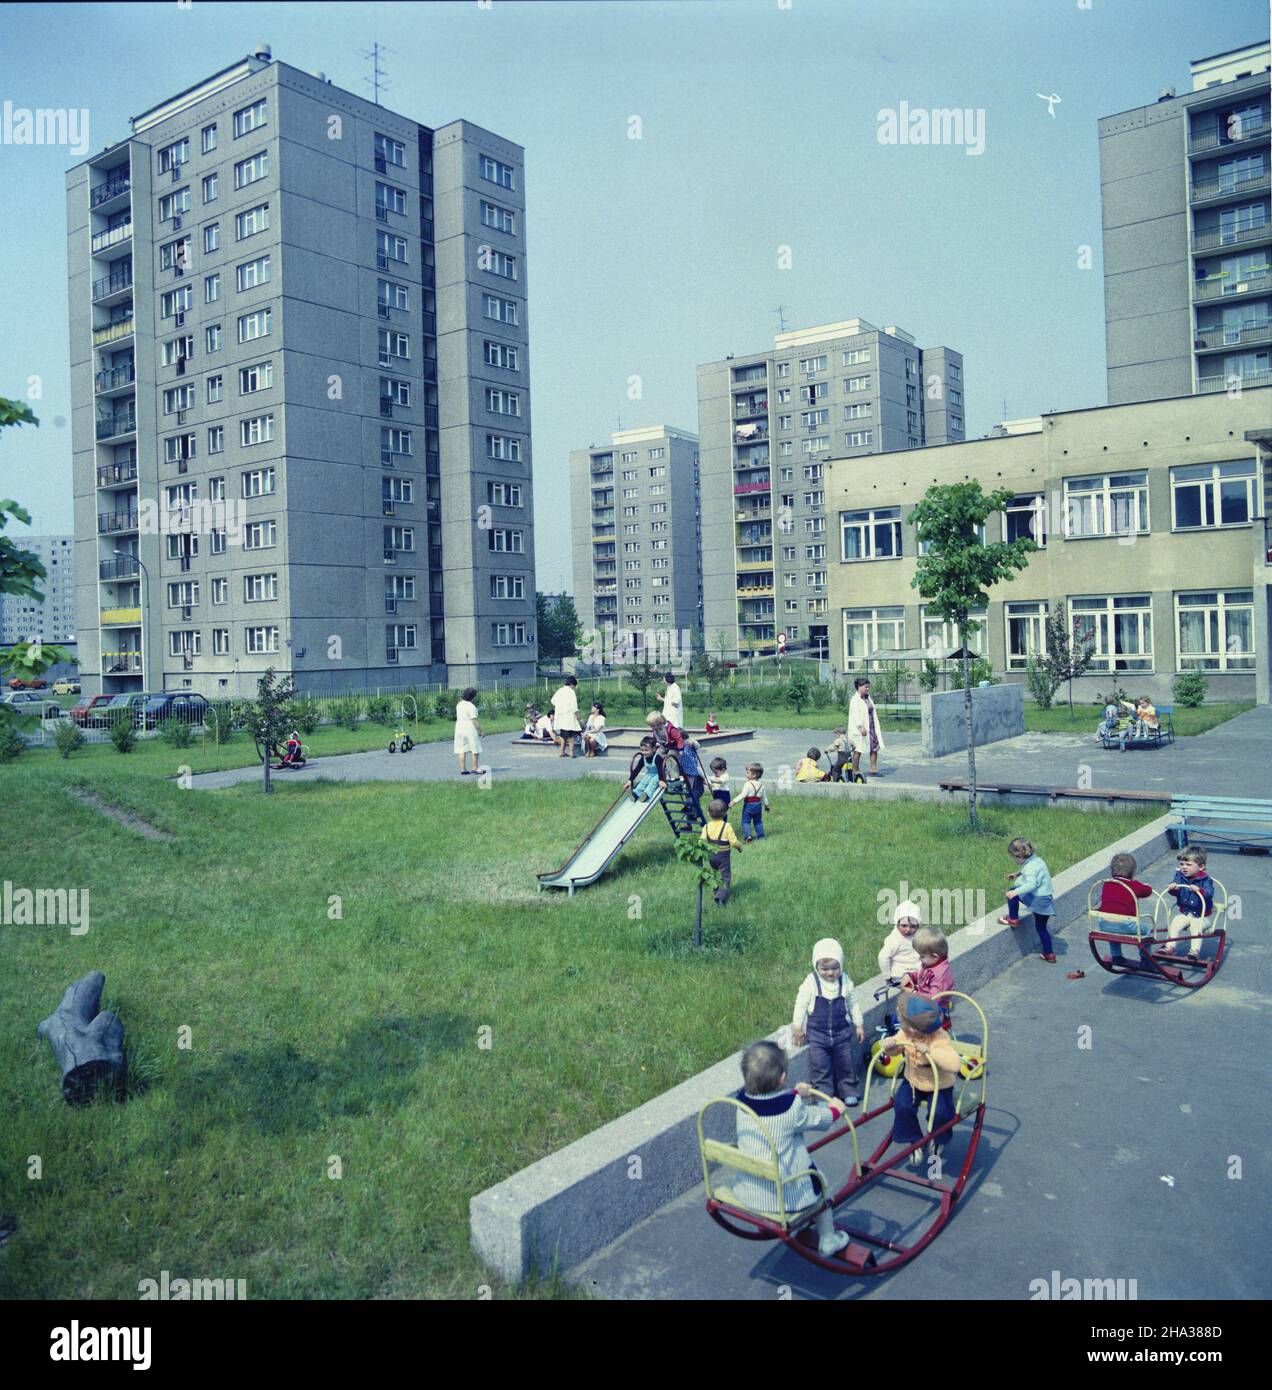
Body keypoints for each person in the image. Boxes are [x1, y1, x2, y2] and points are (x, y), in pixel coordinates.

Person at [729, 1040, 851, 1258]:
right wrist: (835, 1110)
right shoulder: (791, 1109)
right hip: (786, 1196)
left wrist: (795, 1092)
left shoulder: (741, 1101)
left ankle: (780, 1220)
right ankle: (828, 1238)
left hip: (749, 1189)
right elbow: (817, 1119)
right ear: (782, 1077)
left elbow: (769, 1102)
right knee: (820, 1185)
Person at [877, 994, 961, 1168]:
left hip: (939, 1084)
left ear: (915, 1029)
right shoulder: (905, 1033)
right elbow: (896, 1049)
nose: (900, 1022)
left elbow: (954, 1064)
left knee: (941, 1113)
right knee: (902, 1105)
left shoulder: (940, 1038)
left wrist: (930, 1051)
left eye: (902, 1020)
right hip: (913, 1080)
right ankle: (915, 1140)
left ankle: (939, 1138)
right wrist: (890, 1045)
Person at [792, 938, 863, 1107]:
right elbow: (800, 1004)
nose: (830, 973)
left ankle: (848, 1090)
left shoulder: (844, 981)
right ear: (816, 966)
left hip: (841, 1033)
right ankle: (823, 1095)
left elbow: (853, 1004)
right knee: (820, 1066)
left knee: (845, 1063)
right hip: (817, 1035)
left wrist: (858, 1024)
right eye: (824, 969)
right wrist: (797, 1027)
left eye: (835, 968)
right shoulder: (811, 983)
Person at [999, 836, 1057, 962]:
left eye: (1014, 858)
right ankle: (1049, 954)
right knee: (1042, 928)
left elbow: (1031, 884)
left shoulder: (1029, 868)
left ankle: (1013, 919)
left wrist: (1015, 892)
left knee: (1011, 891)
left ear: (1018, 856)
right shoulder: (1037, 860)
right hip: (1046, 899)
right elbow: (1029, 869)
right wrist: (1017, 874)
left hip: (1038, 900)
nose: (1014, 861)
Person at [1097, 852, 1154, 964]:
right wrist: (1148, 886)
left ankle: (1116, 955)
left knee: (1113, 933)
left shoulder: (1107, 883)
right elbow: (1147, 891)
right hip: (1126, 924)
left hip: (1104, 923)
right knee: (1146, 932)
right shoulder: (1133, 885)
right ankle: (1146, 959)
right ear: (1132, 872)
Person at [1160, 846, 1215, 960]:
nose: (1184, 867)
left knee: (1196, 926)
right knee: (1175, 922)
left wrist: (1200, 890)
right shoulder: (1179, 876)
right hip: (1185, 913)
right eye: (1181, 864)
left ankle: (1194, 951)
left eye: (1188, 865)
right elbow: (1176, 892)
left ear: (1201, 866)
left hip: (1202, 916)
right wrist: (1173, 888)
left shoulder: (1205, 880)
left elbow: (1209, 894)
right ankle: (1170, 946)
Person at [901, 926, 955, 1029]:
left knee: (903, 1020)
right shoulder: (931, 965)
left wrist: (914, 993)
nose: (919, 958)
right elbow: (923, 977)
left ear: (935, 956)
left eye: (922, 956)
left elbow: (933, 1000)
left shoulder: (941, 976)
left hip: (935, 1016)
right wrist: (910, 976)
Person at [701, 799, 742, 905]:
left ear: (708, 813)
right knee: (725, 876)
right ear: (725, 813)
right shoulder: (727, 826)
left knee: (715, 874)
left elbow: (701, 841)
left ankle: (716, 892)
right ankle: (720, 898)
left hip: (711, 856)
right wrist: (739, 848)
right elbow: (734, 842)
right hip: (723, 857)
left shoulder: (706, 827)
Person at [848, 676, 885, 779]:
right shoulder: (855, 700)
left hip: (871, 726)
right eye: (866, 687)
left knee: (874, 747)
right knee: (858, 748)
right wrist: (861, 727)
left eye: (868, 687)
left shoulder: (868, 697)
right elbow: (855, 715)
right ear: (859, 687)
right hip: (860, 728)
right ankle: (855, 770)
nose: (867, 689)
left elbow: (872, 711)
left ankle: (873, 768)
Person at [878, 900, 923, 984]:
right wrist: (887, 976)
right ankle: (913, 994)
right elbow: (883, 957)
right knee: (913, 990)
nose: (908, 929)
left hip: (917, 969)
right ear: (897, 923)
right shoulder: (895, 939)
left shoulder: (918, 935)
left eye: (913, 926)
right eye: (904, 925)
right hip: (900, 973)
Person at [453, 687, 482, 776]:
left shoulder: (459, 704)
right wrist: (481, 730)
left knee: (462, 749)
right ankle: (475, 768)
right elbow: (474, 721)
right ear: (472, 697)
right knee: (475, 748)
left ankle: (463, 769)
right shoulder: (471, 706)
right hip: (469, 728)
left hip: (459, 727)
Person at [551, 675, 581, 758]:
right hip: (569, 716)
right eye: (574, 686)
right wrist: (577, 715)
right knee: (571, 736)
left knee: (563, 735)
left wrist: (560, 706)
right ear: (571, 684)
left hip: (560, 716)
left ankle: (561, 752)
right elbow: (574, 706)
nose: (574, 687)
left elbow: (552, 701)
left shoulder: (560, 690)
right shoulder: (571, 692)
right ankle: (571, 753)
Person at [625, 736, 664, 802]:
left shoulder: (657, 758)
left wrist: (661, 780)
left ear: (654, 749)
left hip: (659, 774)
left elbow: (660, 770)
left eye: (646, 750)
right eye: (642, 750)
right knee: (644, 781)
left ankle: (646, 794)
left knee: (653, 782)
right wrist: (630, 780)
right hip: (650, 773)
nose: (644, 752)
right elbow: (637, 769)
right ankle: (636, 794)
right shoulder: (643, 758)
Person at [739, 763, 771, 842]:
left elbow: (743, 795)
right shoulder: (761, 785)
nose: (746, 774)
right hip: (758, 806)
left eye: (748, 772)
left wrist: (733, 801)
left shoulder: (747, 784)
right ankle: (761, 837)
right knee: (758, 822)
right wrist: (767, 806)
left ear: (754, 775)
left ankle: (748, 836)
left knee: (745, 821)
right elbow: (764, 797)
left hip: (748, 805)